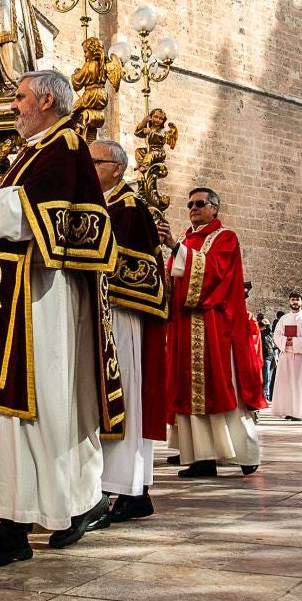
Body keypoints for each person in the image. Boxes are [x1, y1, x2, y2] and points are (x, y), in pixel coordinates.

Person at [0, 69, 123, 563]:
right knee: (34, 412)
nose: (12, 107)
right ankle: (74, 503)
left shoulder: (65, 149)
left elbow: (33, 214)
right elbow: (13, 212)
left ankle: (14, 528)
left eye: (18, 97)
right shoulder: (37, 152)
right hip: (13, 296)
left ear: (44, 99)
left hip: (38, 300)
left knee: (30, 409)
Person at [87, 139, 170, 526]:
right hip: (99, 314)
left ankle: (119, 489)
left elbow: (138, 266)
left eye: (94, 161)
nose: (87, 167)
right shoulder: (101, 203)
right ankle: (131, 490)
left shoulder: (128, 207)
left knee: (122, 399)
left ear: (116, 168)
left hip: (119, 314)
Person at [164, 188, 266, 476]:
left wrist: (175, 248)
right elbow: (173, 280)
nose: (193, 208)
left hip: (213, 327)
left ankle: (245, 453)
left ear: (214, 209)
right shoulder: (185, 240)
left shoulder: (225, 238)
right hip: (186, 327)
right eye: (190, 204)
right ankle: (200, 456)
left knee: (221, 388)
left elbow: (214, 273)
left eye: (200, 204)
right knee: (189, 390)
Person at [271, 298, 302, 421]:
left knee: (299, 384)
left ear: (301, 302)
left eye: (297, 300)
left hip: (300, 356)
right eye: (292, 300)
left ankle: (299, 411)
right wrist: (286, 341)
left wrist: (294, 341)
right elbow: (277, 335)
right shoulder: (283, 319)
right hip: (286, 356)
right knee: (286, 384)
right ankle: (288, 410)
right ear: (289, 302)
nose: (295, 302)